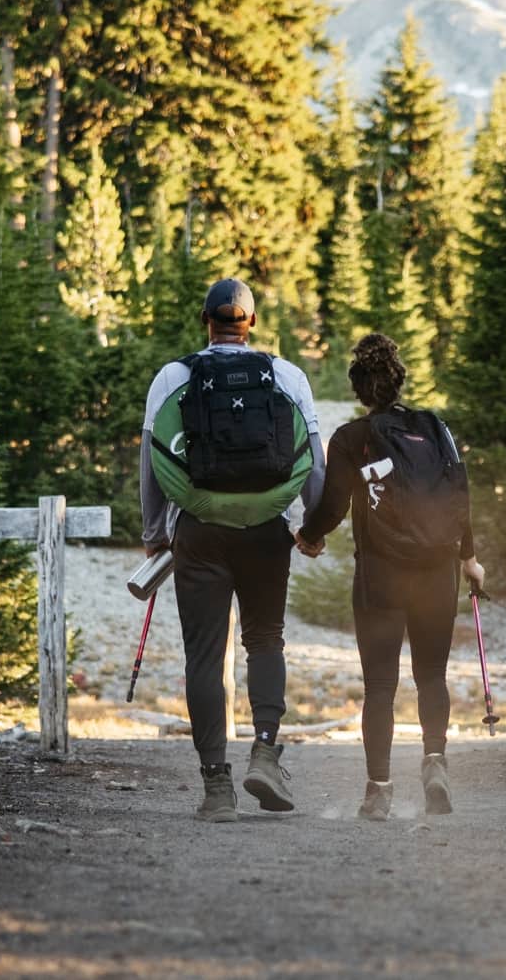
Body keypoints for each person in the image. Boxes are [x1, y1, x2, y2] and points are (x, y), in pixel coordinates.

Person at [140, 278, 323, 823]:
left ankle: (216, 787)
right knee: (265, 640)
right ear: (251, 324)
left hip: (199, 529)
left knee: (203, 654)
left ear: (207, 322)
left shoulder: (174, 376)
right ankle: (265, 751)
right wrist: (311, 526)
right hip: (268, 528)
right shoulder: (286, 374)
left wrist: (155, 531)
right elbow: (312, 453)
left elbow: (152, 459)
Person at [296, 333, 483, 822]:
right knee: (431, 677)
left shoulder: (352, 438)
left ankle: (378, 791)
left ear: (359, 389)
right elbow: (459, 492)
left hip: (380, 575)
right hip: (436, 574)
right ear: (399, 382)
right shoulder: (436, 428)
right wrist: (469, 558)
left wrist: (308, 537)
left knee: (380, 685)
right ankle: (435, 762)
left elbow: (333, 505)